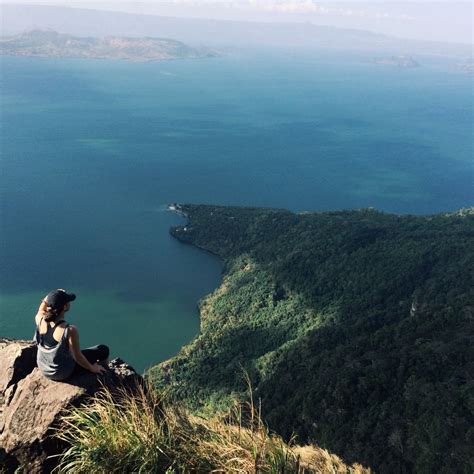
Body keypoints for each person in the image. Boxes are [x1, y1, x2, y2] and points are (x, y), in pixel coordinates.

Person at [34, 289, 109, 381]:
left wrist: (52, 295)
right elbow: (77, 356)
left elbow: (41, 308)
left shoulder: (40, 319)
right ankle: (107, 374)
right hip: (61, 372)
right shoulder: (69, 330)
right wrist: (92, 368)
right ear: (65, 307)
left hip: (44, 368)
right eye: (68, 301)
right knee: (103, 350)